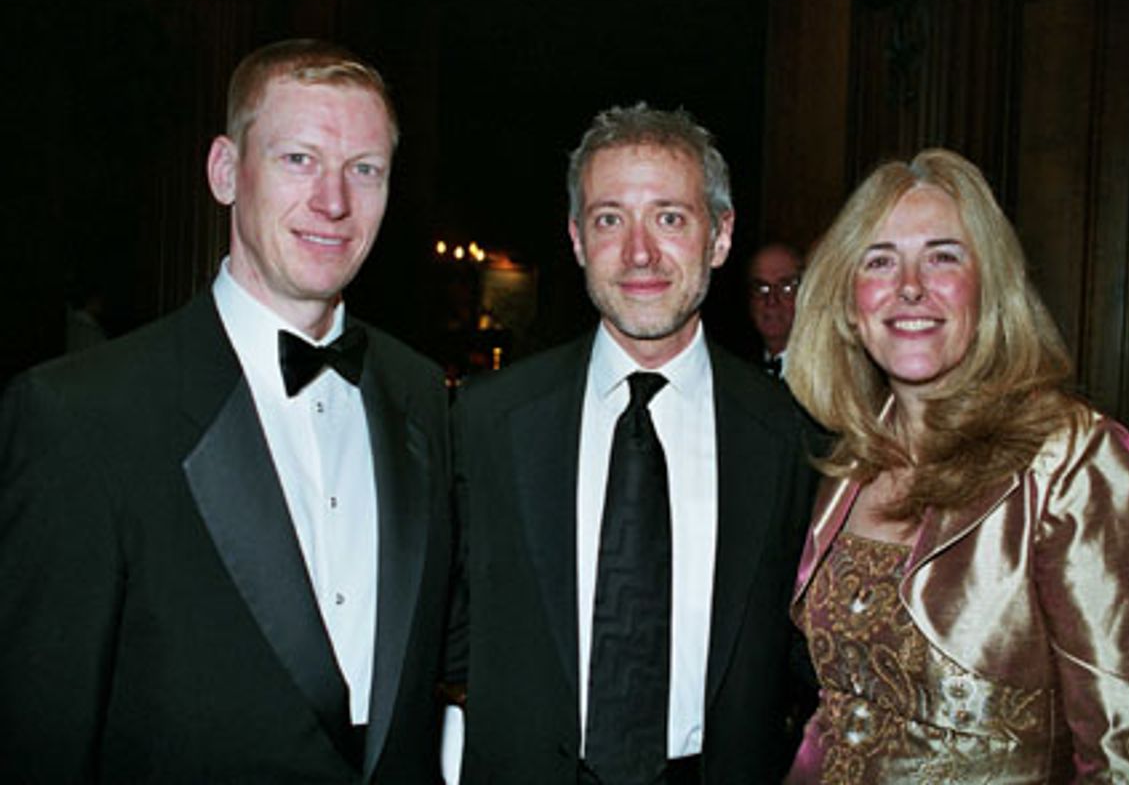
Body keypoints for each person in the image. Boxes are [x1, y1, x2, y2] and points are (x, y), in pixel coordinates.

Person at [0, 39, 453, 782]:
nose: (334, 202)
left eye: (364, 169)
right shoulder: (80, 416)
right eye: (298, 159)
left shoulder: (421, 393)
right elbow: (40, 736)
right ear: (224, 171)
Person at [782, 148, 1129, 782]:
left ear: (989, 288)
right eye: (879, 260)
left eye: (943, 256)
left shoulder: (1068, 459)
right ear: (849, 306)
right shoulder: (846, 457)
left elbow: (1128, 745)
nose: (909, 285)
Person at [446, 103, 818, 784]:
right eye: (609, 219)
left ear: (720, 236)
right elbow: (442, 628)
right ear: (577, 239)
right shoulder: (487, 421)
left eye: (669, 218)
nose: (639, 252)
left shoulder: (791, 435)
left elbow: (813, 657)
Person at [746, 241, 804, 377]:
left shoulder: (830, 372)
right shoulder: (738, 370)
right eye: (762, 288)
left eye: (786, 288)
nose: (771, 300)